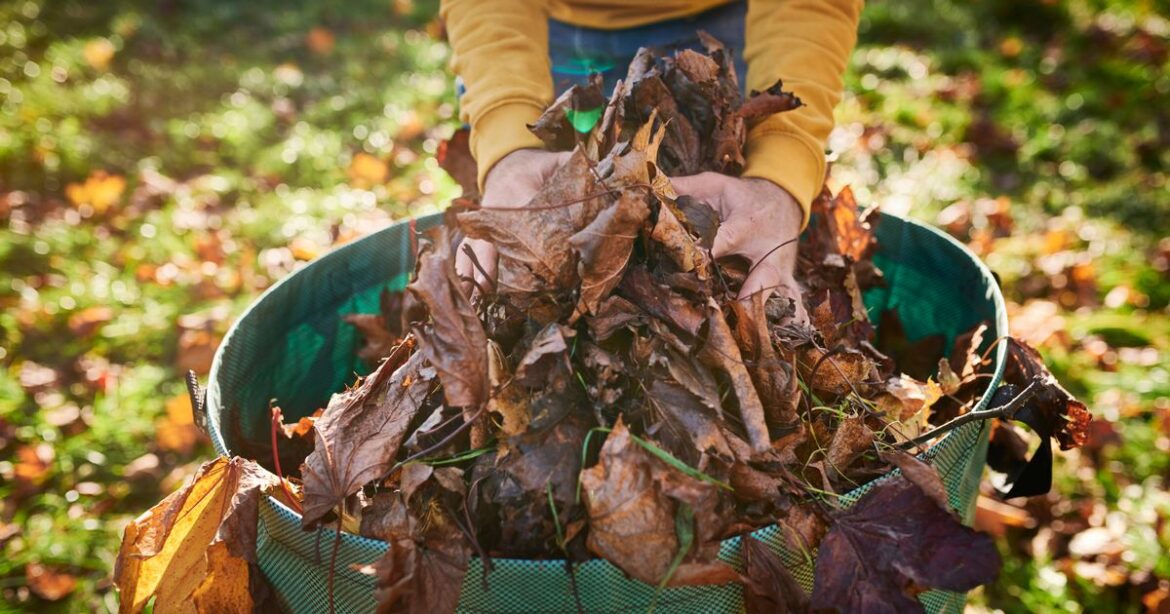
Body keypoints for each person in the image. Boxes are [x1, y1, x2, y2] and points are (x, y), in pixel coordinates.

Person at [442, 0, 862, 313]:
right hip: (543, 30)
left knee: (750, 252)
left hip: (738, 22)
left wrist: (778, 177)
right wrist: (509, 150)